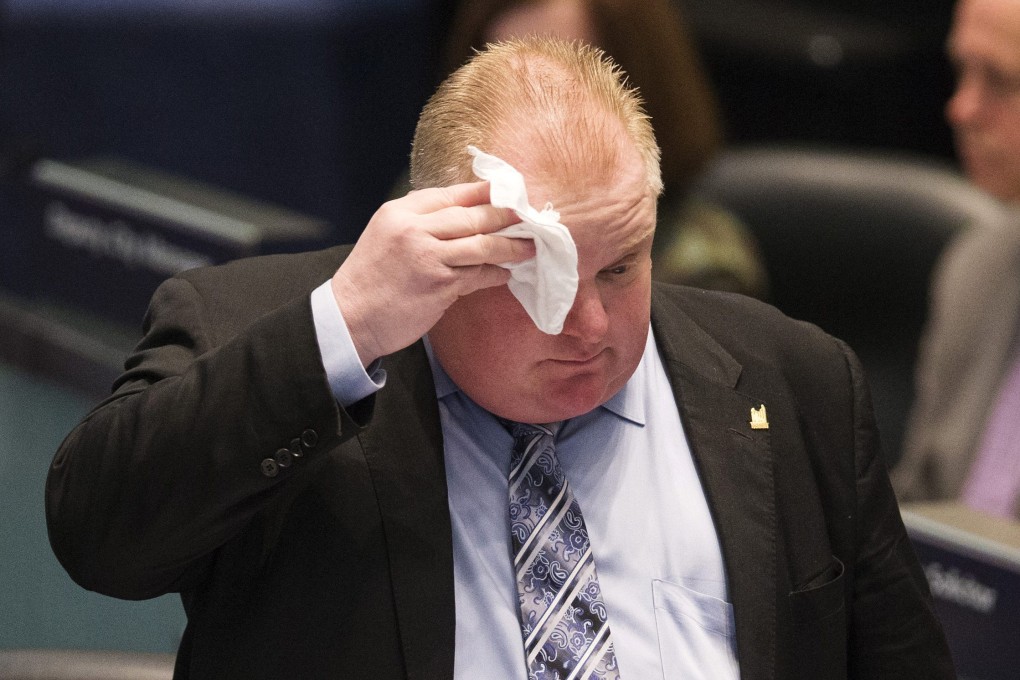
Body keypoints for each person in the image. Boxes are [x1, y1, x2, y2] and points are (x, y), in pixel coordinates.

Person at [47, 38, 953, 679]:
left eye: (621, 266)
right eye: (539, 276)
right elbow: (100, 541)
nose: (590, 326)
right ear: (441, 246)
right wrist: (347, 330)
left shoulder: (795, 381)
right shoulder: (265, 333)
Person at [430, 0, 769, 297]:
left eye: (557, 90)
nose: (525, 112)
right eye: (498, 85)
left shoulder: (702, 266)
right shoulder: (434, 202)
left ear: (639, 89)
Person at [892, 0, 1020, 519]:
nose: (961, 108)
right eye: (962, 70)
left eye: (1001, 81)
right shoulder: (978, 268)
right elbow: (920, 511)